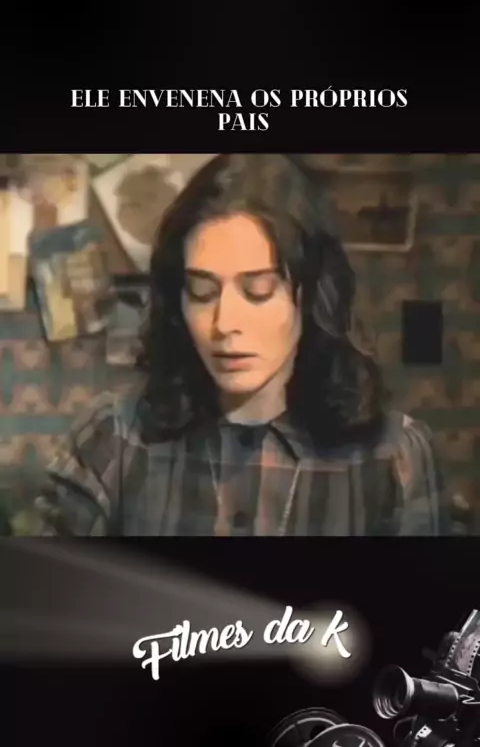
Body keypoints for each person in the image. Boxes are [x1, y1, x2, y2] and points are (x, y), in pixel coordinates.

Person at [30, 154, 450, 536]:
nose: (225, 323)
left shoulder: (396, 459)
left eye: (258, 290)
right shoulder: (112, 439)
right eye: (202, 292)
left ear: (311, 294)